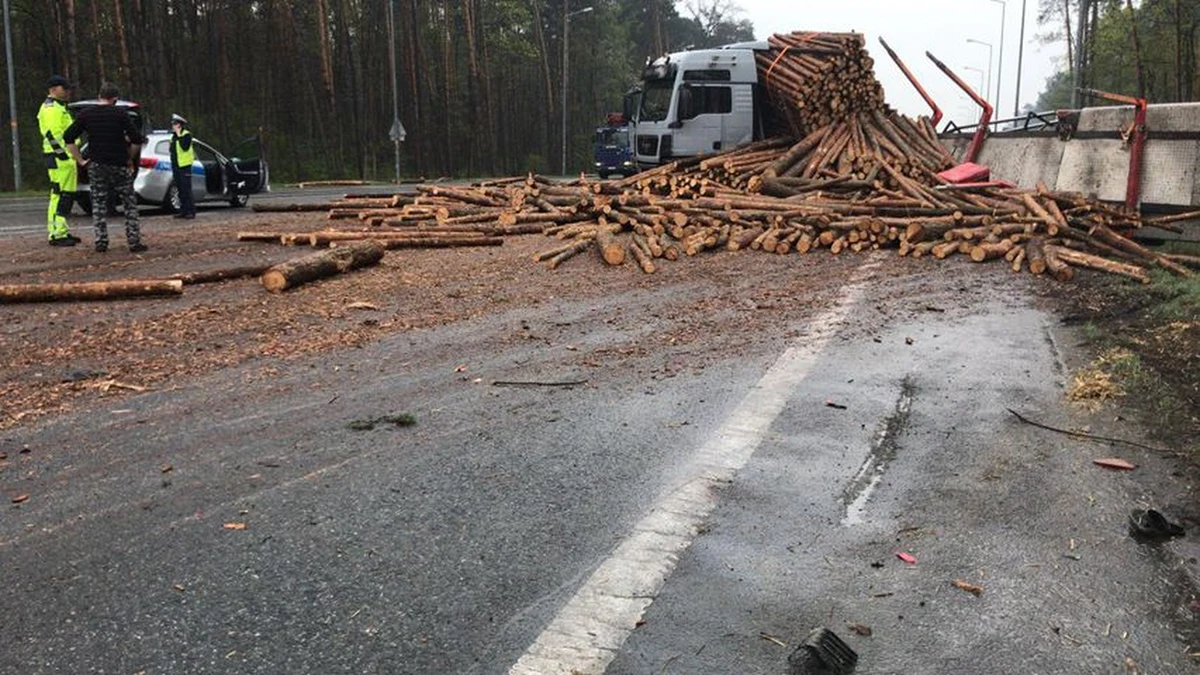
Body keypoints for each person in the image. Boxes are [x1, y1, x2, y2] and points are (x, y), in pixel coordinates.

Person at [63, 82, 147, 253]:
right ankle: (133, 241)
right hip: (119, 164)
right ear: (115, 99)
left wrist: (80, 160)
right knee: (129, 203)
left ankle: (101, 241)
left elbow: (68, 137)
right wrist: (130, 159)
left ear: (99, 96)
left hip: (97, 165)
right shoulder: (121, 114)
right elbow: (137, 139)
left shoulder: (87, 114)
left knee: (98, 204)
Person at [37, 75, 83, 247]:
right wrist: (62, 155)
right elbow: (52, 135)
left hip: (62, 156)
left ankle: (59, 231)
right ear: (54, 89)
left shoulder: (59, 107)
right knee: (62, 194)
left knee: (63, 194)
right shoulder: (51, 108)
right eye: (65, 88)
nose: (68, 91)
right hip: (60, 157)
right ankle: (58, 234)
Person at [169, 114, 196, 219]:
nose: (172, 126)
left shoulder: (186, 135)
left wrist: (179, 134)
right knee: (180, 189)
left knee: (186, 189)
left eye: (174, 124)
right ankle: (183, 211)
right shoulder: (173, 137)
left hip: (185, 166)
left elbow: (185, 147)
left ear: (179, 125)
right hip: (176, 166)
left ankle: (190, 211)